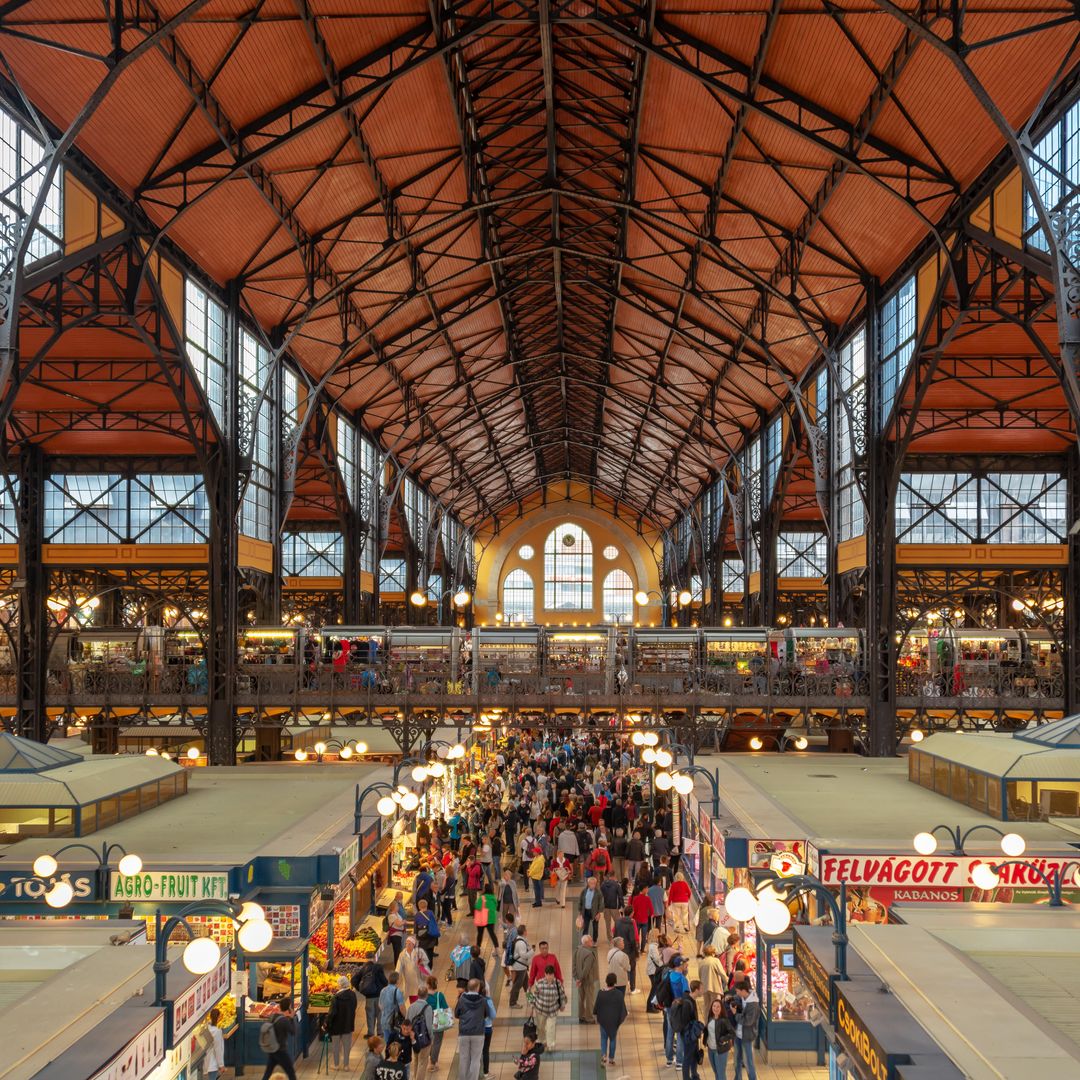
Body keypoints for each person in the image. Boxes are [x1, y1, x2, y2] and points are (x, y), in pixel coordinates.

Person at [454, 978, 494, 1080]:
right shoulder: (483, 1000)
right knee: (475, 1060)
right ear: (477, 988)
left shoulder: (462, 999)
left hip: (464, 1033)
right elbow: (487, 1015)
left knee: (463, 1058)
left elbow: (456, 1014)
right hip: (478, 1033)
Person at [669, 979, 704, 1080]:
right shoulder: (688, 1003)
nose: (703, 991)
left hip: (692, 1034)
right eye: (701, 989)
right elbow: (686, 1022)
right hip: (689, 1035)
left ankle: (694, 1075)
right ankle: (686, 1077)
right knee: (688, 1058)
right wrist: (696, 1030)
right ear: (696, 990)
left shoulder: (689, 999)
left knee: (693, 1055)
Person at [530, 962, 567, 1051]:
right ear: (545, 974)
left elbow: (562, 995)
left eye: (552, 974)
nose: (550, 976)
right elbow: (534, 995)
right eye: (548, 974)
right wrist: (532, 1005)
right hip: (540, 1010)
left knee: (551, 1027)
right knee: (541, 1027)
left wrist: (562, 1005)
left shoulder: (557, 983)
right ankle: (543, 1041)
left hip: (552, 1010)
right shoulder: (540, 983)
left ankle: (550, 1044)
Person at [594, 972, 628, 1066]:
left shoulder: (601, 993)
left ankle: (603, 1055)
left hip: (603, 1020)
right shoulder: (619, 994)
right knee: (613, 1038)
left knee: (603, 1038)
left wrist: (597, 1017)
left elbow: (596, 1006)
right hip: (614, 1021)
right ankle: (611, 1059)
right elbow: (623, 1009)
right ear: (615, 982)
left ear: (606, 981)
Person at [259, 1000, 298, 1080]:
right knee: (291, 1073)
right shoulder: (284, 1021)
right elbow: (293, 1032)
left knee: (267, 1073)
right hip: (281, 1051)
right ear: (289, 1008)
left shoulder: (273, 1016)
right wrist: (291, 1018)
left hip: (272, 1049)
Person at [327, 974, 359, 1071]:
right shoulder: (353, 995)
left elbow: (332, 1013)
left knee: (336, 1046)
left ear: (339, 985)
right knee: (347, 1047)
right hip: (348, 1024)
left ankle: (336, 1065)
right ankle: (346, 1065)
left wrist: (327, 1023)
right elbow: (354, 1007)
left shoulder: (335, 998)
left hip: (336, 1026)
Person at [354, 955, 389, 1038]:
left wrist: (361, 990)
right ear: (374, 959)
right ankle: (380, 1033)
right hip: (379, 996)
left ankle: (370, 1033)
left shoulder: (363, 969)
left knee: (370, 1015)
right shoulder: (378, 968)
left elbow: (354, 980)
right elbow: (385, 981)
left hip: (369, 997)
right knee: (380, 1014)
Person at [733, 980, 761, 1080]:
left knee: (748, 1062)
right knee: (737, 1060)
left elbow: (748, 1021)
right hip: (738, 1034)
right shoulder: (743, 997)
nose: (736, 993)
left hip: (747, 1036)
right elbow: (736, 998)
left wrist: (736, 1015)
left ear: (743, 991)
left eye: (737, 991)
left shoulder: (753, 1004)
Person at [705, 995, 736, 1080]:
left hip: (721, 1050)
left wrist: (723, 1039)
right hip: (710, 1049)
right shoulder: (710, 1017)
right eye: (714, 1006)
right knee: (716, 1072)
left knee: (721, 1074)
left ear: (721, 1008)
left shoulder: (724, 1020)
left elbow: (733, 1033)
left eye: (718, 1007)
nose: (715, 1008)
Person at [406, 992, 435, 1080]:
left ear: (418, 995)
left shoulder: (411, 1007)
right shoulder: (428, 1008)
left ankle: (415, 1077)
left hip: (413, 1038)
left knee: (416, 1059)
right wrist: (431, 1037)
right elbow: (429, 1026)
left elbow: (407, 1021)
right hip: (424, 1039)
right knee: (423, 1062)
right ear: (426, 996)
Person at [424, 974, 449, 1073]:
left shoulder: (425, 996)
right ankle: (433, 1063)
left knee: (429, 1041)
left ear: (427, 985)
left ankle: (431, 1058)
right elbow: (445, 1008)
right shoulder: (440, 995)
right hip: (438, 1022)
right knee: (437, 1042)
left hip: (427, 1021)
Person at [573, 933, 599, 1024]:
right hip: (588, 980)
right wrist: (580, 979)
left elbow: (574, 965)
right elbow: (586, 969)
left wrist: (576, 978)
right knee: (589, 999)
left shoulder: (577, 950)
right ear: (586, 942)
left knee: (581, 998)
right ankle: (589, 1017)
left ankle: (581, 1016)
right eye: (591, 940)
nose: (592, 942)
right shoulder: (589, 954)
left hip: (579, 980)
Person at [396, 936, 429, 1002]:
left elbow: (426, 961)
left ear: (413, 945)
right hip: (409, 982)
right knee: (412, 998)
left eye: (409, 944)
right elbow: (398, 967)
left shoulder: (419, 952)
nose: (407, 945)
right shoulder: (402, 955)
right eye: (406, 943)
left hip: (419, 981)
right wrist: (396, 977)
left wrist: (421, 963)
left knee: (420, 998)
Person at [508, 924, 534, 1006]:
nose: (527, 931)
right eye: (526, 930)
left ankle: (531, 1000)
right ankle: (512, 1002)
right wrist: (532, 951)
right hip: (520, 967)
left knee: (526, 984)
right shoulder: (521, 943)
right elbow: (523, 955)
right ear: (524, 932)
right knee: (517, 985)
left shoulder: (520, 940)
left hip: (521, 967)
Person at [378, 972, 406, 1041]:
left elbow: (380, 1005)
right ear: (397, 980)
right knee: (395, 1044)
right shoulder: (397, 991)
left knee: (387, 1042)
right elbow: (402, 1008)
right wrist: (406, 1017)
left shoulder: (383, 990)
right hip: (393, 1022)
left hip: (384, 1021)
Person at [416, 899, 441, 964]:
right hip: (431, 936)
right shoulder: (430, 913)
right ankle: (430, 967)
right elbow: (434, 923)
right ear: (426, 905)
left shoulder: (417, 915)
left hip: (422, 937)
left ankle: (424, 968)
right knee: (430, 953)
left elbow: (415, 928)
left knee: (423, 954)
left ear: (419, 907)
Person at [474, 883, 499, 948]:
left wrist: (475, 904)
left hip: (482, 919)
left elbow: (478, 907)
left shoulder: (482, 897)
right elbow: (496, 906)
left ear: (485, 889)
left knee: (480, 934)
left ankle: (478, 947)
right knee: (492, 934)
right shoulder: (493, 897)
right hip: (491, 919)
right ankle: (497, 947)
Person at [203, 1007, 225, 1080]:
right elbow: (218, 1049)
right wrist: (221, 1065)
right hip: (213, 1063)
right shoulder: (217, 1032)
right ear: (218, 1018)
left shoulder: (207, 1028)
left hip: (206, 1061)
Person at [579, 875, 603, 941]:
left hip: (594, 912)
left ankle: (595, 940)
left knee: (595, 928)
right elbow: (580, 901)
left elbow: (601, 903)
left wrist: (599, 913)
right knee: (585, 927)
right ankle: (584, 940)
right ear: (588, 884)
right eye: (591, 883)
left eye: (594, 884)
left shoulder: (598, 892)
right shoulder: (584, 891)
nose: (593, 885)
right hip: (586, 912)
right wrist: (580, 913)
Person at [600, 873, 622, 940]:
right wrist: (621, 906)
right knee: (618, 922)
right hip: (614, 907)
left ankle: (609, 938)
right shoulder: (617, 885)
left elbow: (601, 896)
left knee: (607, 924)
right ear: (614, 877)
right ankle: (617, 936)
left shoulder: (603, 885)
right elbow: (620, 896)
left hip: (606, 907)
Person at [387, 893, 407, 963]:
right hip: (395, 936)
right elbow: (399, 924)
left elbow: (401, 921)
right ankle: (397, 966)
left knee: (399, 950)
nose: (398, 907)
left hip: (399, 935)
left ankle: (399, 964)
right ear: (394, 907)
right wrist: (403, 922)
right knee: (397, 952)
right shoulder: (392, 916)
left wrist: (403, 922)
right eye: (397, 907)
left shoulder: (396, 914)